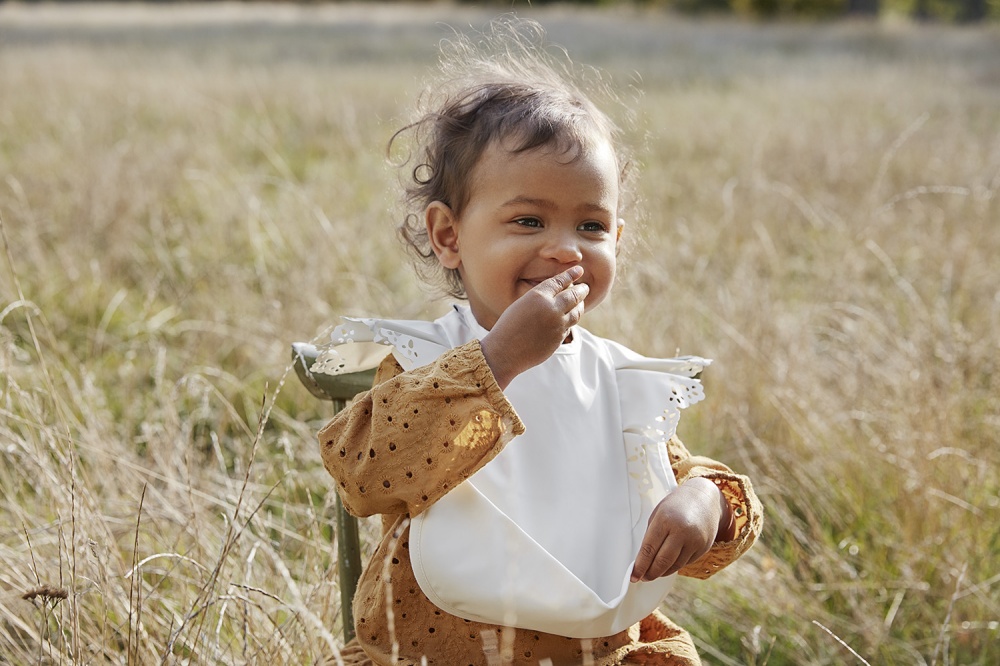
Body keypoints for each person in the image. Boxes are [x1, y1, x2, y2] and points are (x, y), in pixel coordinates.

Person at [314, 18, 762, 666]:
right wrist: (500, 362)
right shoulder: (426, 361)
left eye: (591, 224)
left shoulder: (616, 379)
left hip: (599, 649)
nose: (563, 248)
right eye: (528, 220)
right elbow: (362, 469)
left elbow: (670, 473)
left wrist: (704, 502)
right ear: (449, 237)